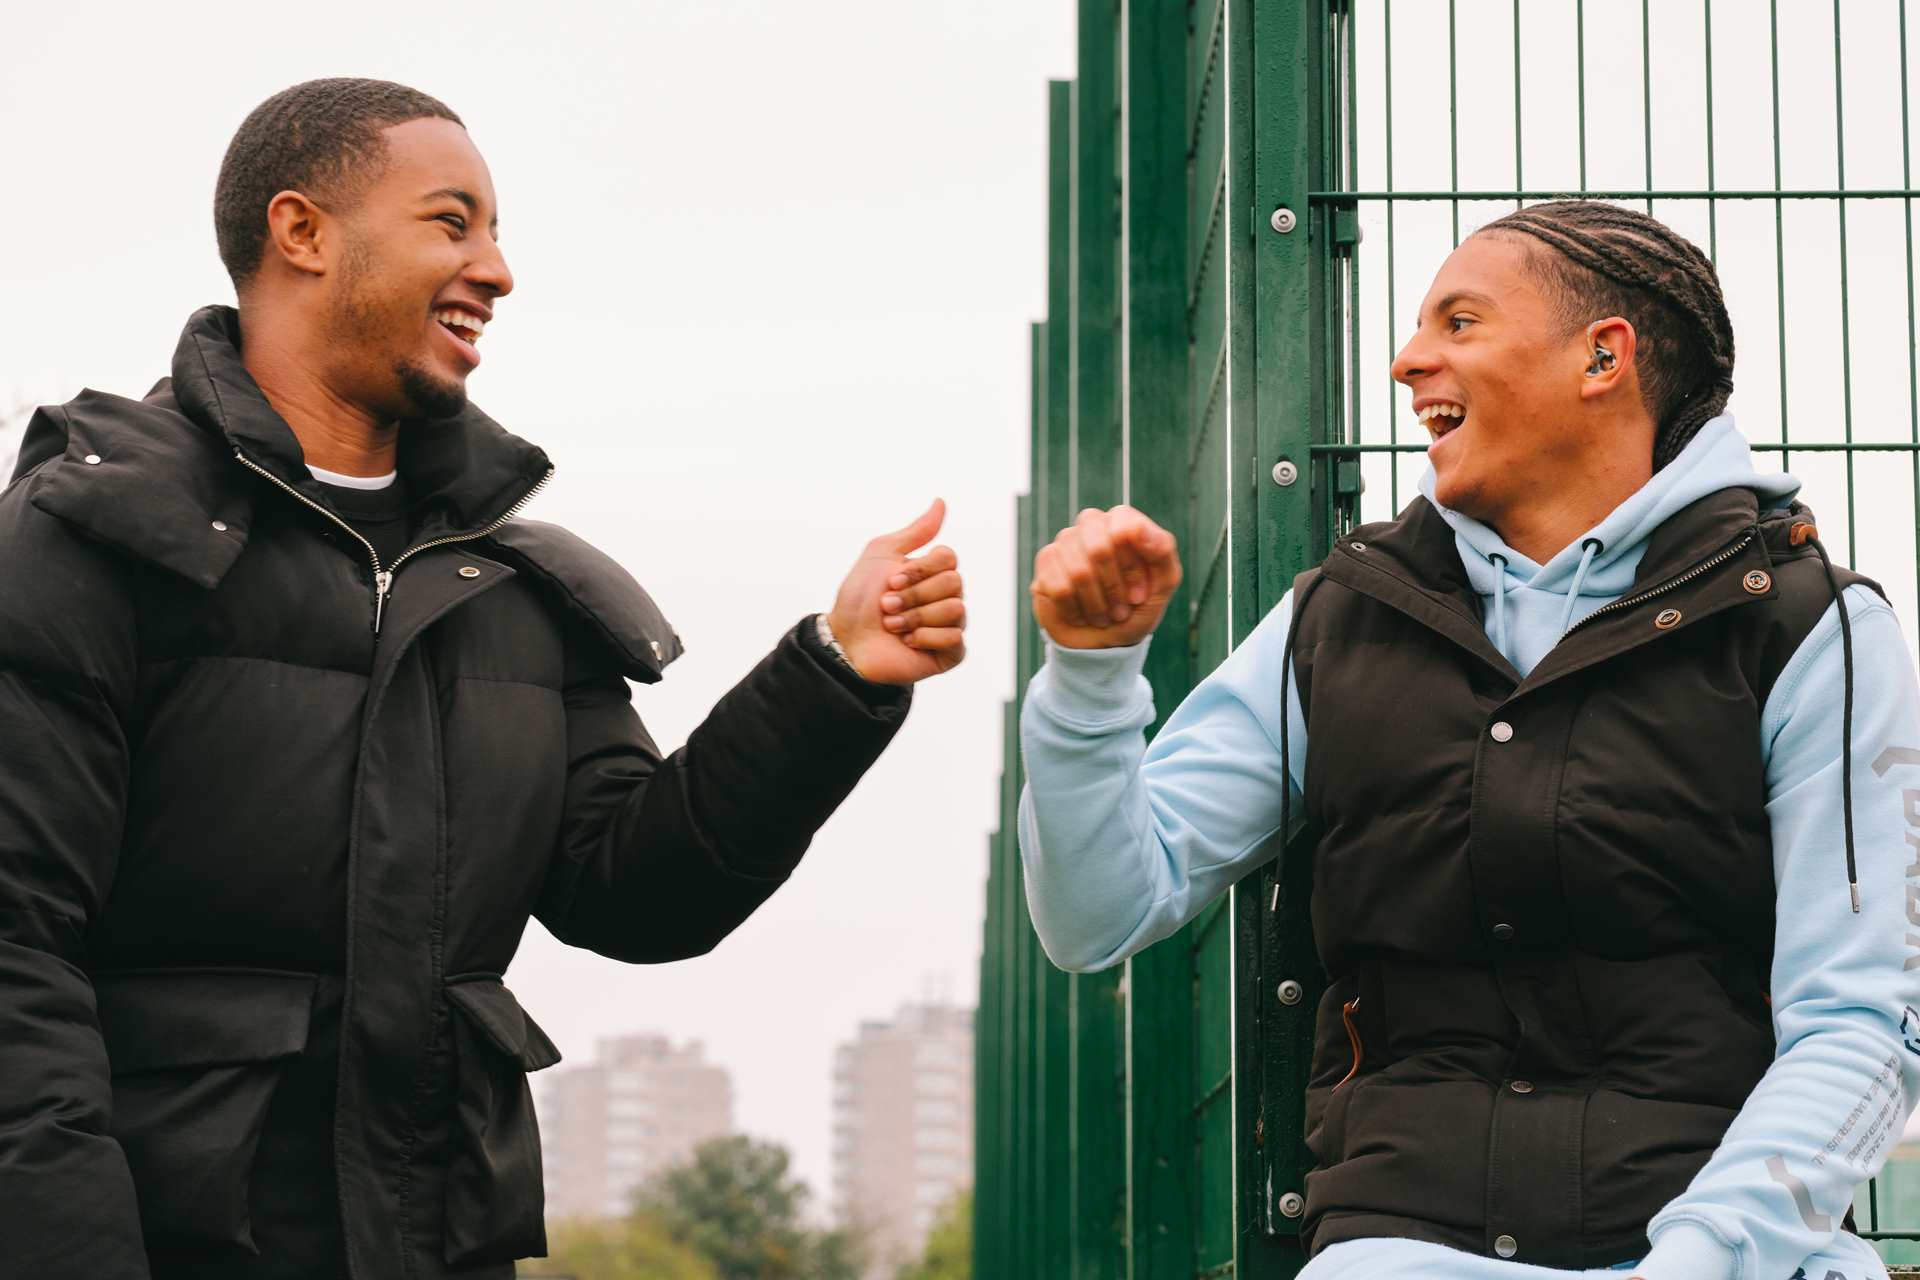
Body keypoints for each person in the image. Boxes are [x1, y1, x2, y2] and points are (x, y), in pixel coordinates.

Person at [0, 78, 967, 1280]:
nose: (497, 270)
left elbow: (637, 891)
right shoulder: (93, 537)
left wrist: (833, 676)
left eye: (498, 232)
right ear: (300, 233)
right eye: (453, 222)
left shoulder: (507, 587)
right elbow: (14, 949)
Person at [1019, 200, 1920, 1280]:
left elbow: (1863, 1019)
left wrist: (1705, 1255)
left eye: (1459, 322)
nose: (1409, 361)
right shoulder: (1338, 618)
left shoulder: (1811, 624)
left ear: (1603, 355)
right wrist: (1088, 676)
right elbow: (1096, 908)